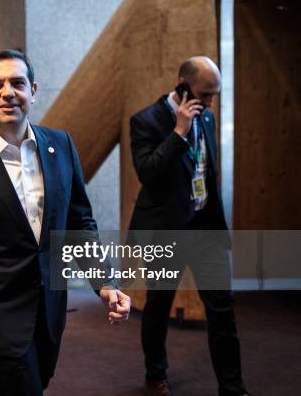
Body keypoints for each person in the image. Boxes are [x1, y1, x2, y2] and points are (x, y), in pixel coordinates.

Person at [0, 49, 131, 395]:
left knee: (31, 385)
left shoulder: (60, 144)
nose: (7, 92)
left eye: (17, 83)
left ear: (32, 90)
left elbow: (79, 222)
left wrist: (104, 283)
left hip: (49, 310)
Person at [129, 56, 248, 396]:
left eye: (214, 95)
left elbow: (204, 173)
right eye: (204, 94)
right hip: (165, 230)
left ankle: (233, 387)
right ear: (182, 84)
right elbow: (148, 173)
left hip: (203, 228)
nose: (210, 102)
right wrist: (179, 132)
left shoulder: (207, 118)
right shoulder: (146, 120)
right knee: (159, 305)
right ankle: (155, 374)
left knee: (222, 308)